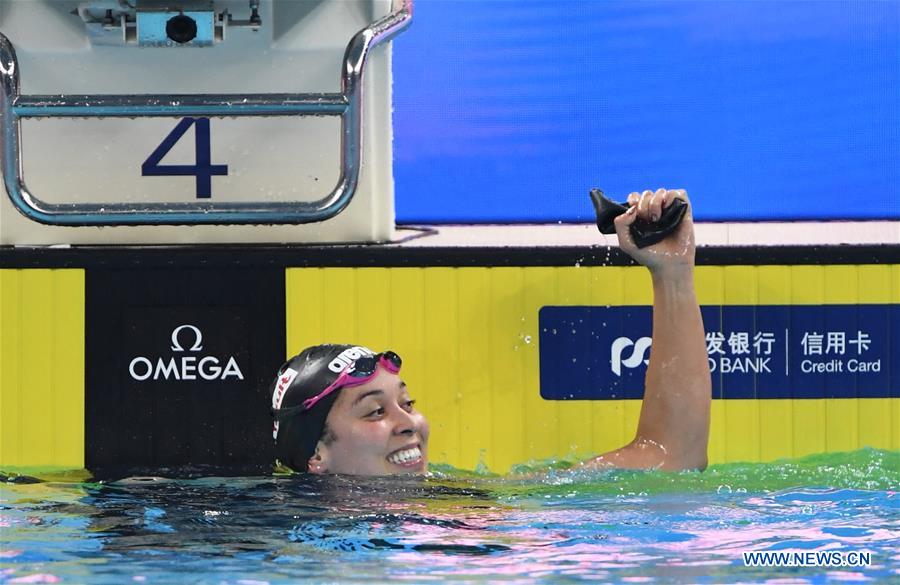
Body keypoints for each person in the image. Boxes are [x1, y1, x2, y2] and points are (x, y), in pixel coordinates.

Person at [270, 188, 711, 475]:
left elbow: (672, 457)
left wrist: (672, 276)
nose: (409, 425)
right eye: (374, 412)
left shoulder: (466, 505)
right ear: (316, 455)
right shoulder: (279, 535)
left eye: (407, 403)